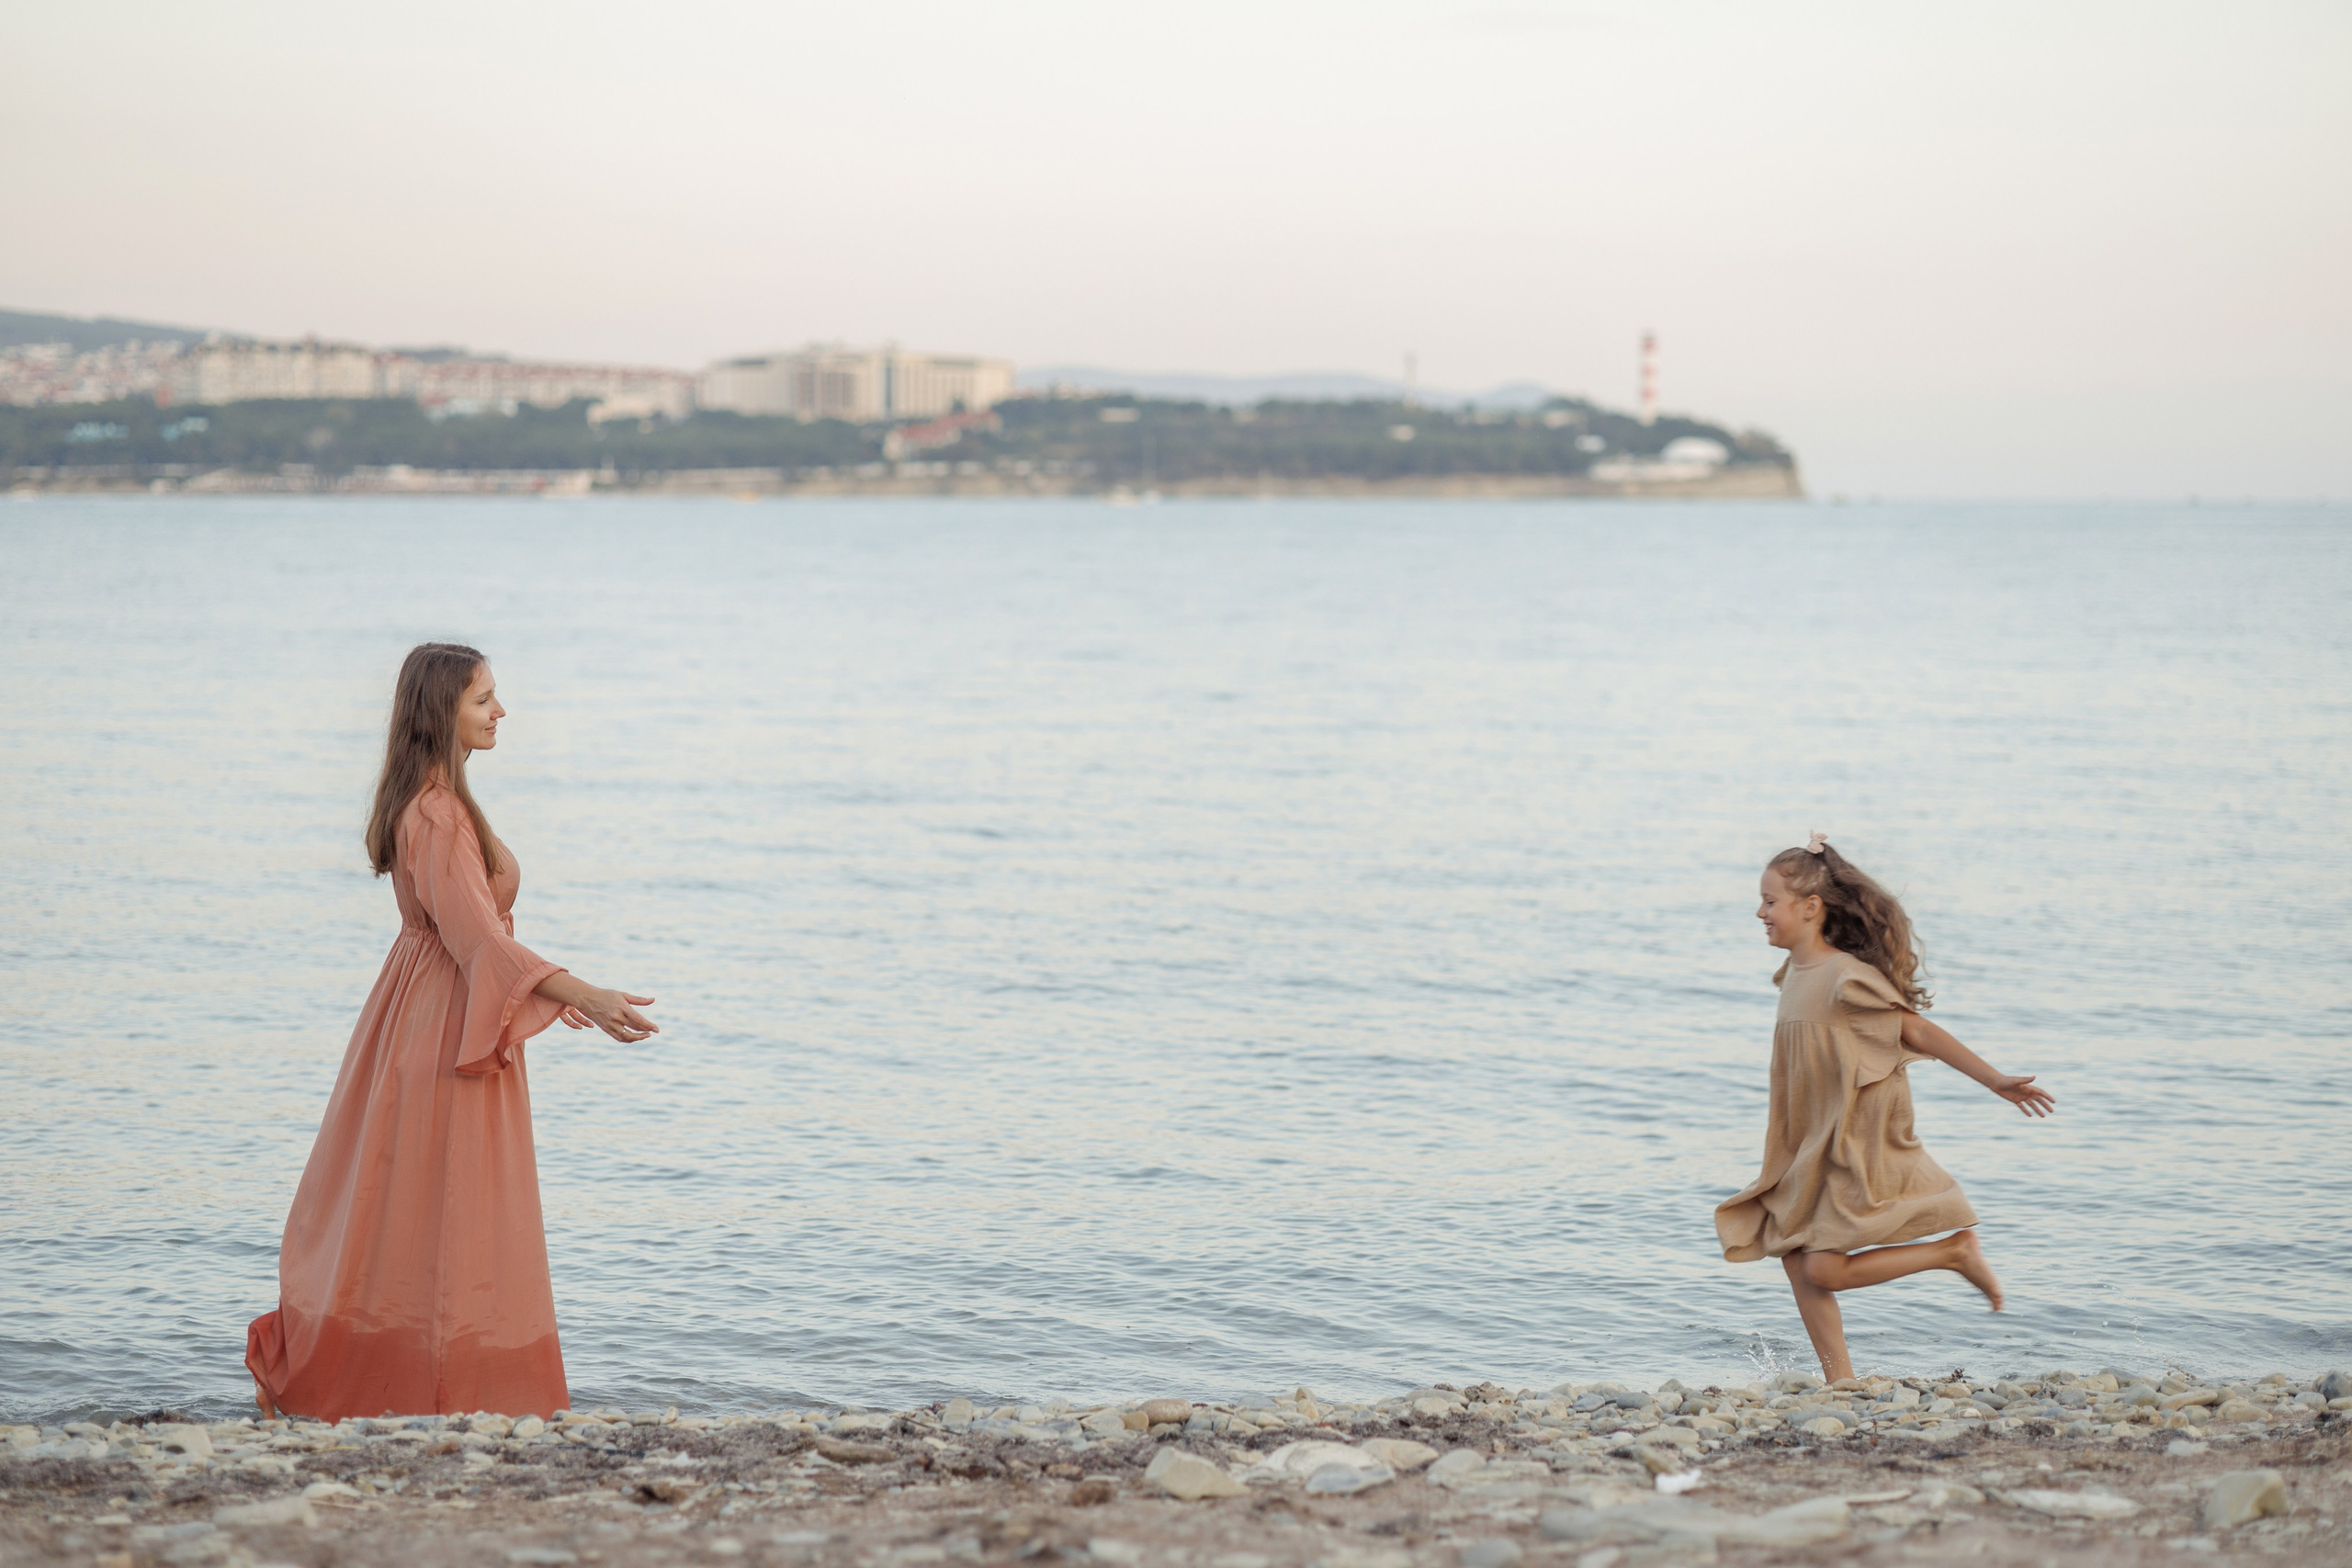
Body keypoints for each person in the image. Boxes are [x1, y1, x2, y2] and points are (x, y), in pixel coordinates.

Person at [246, 643, 659, 1420]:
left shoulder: (438, 801)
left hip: (440, 1006)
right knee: (444, 1206)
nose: (501, 711)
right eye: (483, 698)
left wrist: (538, 986)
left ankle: (426, 1387)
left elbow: (477, 939)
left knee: (418, 1204)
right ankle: (437, 1391)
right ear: (443, 711)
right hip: (444, 1021)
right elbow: (476, 940)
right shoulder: (437, 814)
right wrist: (583, 992)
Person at [1714, 834, 2052, 1384]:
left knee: (1822, 1267)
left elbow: (1914, 1029)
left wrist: (1994, 1079)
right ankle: (1840, 1381)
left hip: (1850, 1137)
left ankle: (1952, 1252)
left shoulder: (1845, 975)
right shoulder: (1794, 972)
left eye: (1770, 901)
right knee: (1794, 1254)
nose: (1760, 912)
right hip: (1808, 1137)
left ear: (1811, 907)